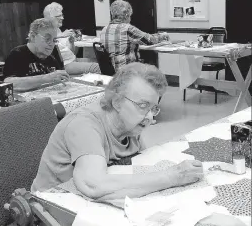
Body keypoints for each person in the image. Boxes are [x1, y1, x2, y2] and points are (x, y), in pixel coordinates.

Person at [31, 62, 203, 200]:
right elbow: (93, 185)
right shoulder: (84, 125)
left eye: (154, 108)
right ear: (117, 101)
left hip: (87, 204)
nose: (150, 117)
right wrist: (173, 176)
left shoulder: (132, 125)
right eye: (143, 106)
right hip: (49, 211)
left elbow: (138, 167)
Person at [100, 0, 170, 71]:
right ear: (126, 15)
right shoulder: (127, 28)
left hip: (112, 71)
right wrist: (162, 36)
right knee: (153, 70)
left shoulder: (104, 30)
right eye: (130, 16)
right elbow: (150, 40)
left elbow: (141, 37)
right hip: (129, 71)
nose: (130, 19)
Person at [3, 18, 70, 92]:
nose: (52, 44)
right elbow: (9, 83)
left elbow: (62, 77)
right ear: (33, 36)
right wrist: (46, 78)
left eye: (54, 40)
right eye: (47, 39)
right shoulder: (17, 54)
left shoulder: (54, 51)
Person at [43, 2, 101, 75]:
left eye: (62, 15)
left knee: (100, 61)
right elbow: (44, 41)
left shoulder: (57, 29)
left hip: (72, 60)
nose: (62, 18)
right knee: (97, 67)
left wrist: (71, 42)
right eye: (59, 16)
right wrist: (61, 35)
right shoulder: (44, 30)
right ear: (51, 18)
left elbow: (72, 53)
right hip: (64, 65)